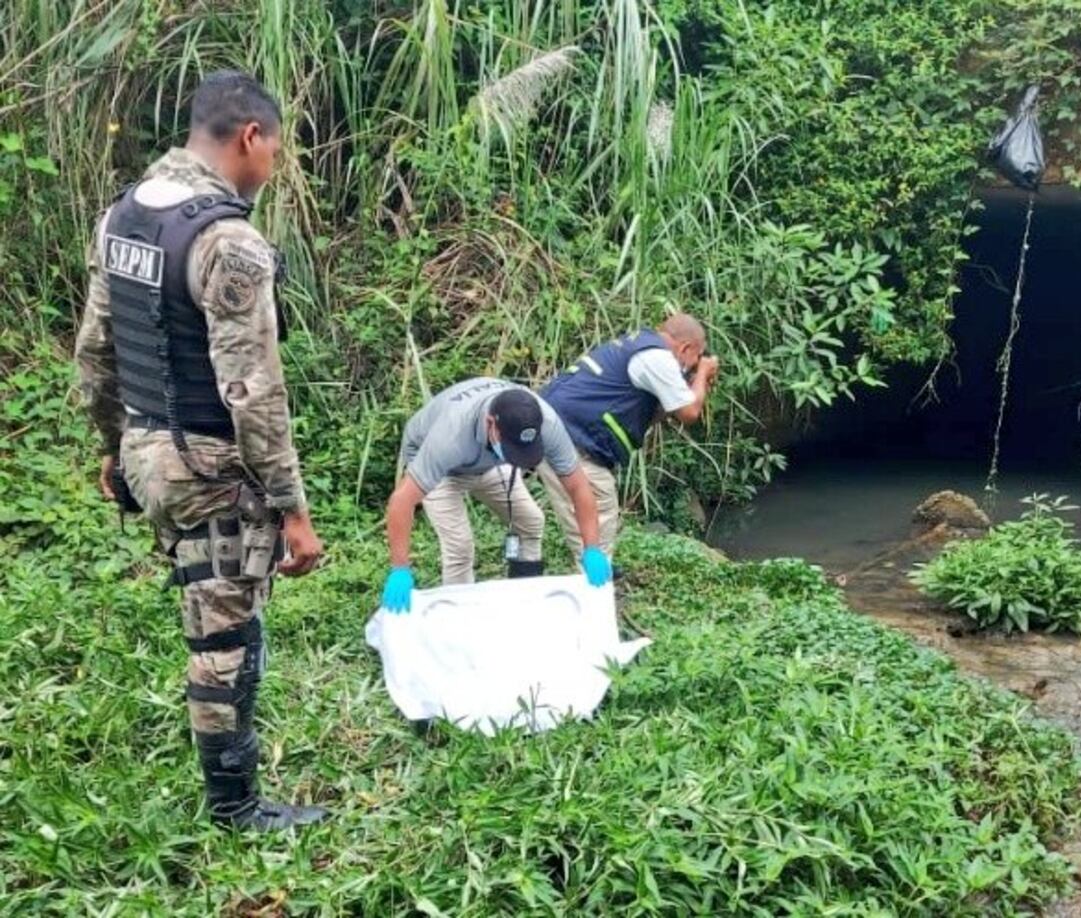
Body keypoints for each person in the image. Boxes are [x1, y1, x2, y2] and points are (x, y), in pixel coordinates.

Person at [74, 71, 327, 831]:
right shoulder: (228, 239)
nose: (271, 168)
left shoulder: (123, 215)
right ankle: (236, 809)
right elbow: (253, 391)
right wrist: (293, 509)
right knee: (225, 640)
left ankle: (233, 790)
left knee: (210, 617)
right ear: (249, 136)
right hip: (209, 466)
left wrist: (114, 446)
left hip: (149, 450)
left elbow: (95, 351)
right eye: (274, 151)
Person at [380, 378, 612, 613]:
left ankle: (523, 599)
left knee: (530, 522)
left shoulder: (546, 422)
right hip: (443, 470)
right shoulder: (449, 436)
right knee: (460, 546)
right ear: (491, 424)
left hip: (490, 461)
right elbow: (402, 500)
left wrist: (592, 548)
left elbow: (579, 486)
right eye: (512, 446)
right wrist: (400, 569)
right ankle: (460, 618)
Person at [538, 314, 719, 558]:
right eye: (695, 358)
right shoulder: (659, 358)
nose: (693, 365)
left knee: (598, 514)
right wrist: (703, 372)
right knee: (596, 517)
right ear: (685, 348)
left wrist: (696, 382)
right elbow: (690, 412)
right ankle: (595, 585)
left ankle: (598, 575)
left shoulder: (641, 344)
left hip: (560, 429)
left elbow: (664, 410)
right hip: (570, 438)